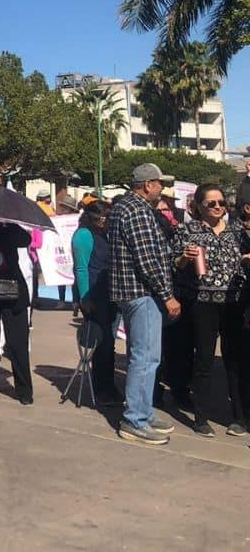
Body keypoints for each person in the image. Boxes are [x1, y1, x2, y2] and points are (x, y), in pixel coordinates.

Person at [107, 163, 179, 445]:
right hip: (141, 292)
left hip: (132, 292)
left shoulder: (125, 207)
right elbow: (147, 259)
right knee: (145, 358)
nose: (162, 188)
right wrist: (167, 295)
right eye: (159, 183)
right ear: (147, 184)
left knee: (145, 356)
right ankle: (135, 419)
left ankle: (143, 412)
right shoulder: (136, 210)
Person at [170, 184, 249, 437]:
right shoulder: (186, 230)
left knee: (235, 359)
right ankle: (201, 416)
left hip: (234, 301)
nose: (217, 208)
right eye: (211, 204)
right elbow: (175, 266)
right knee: (203, 359)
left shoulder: (237, 231)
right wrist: (185, 258)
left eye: (221, 203)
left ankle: (239, 416)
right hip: (203, 303)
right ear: (199, 207)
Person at [0, 217, 34, 405]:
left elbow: (26, 240)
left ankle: (24, 390)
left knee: (18, 342)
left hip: (13, 289)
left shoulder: (8, 226)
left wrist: (8, 224)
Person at [72, 200, 121, 406]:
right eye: (103, 217)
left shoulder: (107, 234)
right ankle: (102, 389)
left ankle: (109, 385)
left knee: (110, 342)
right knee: (102, 343)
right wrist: (85, 298)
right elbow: (81, 268)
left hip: (110, 293)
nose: (106, 221)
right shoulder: (84, 235)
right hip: (93, 294)